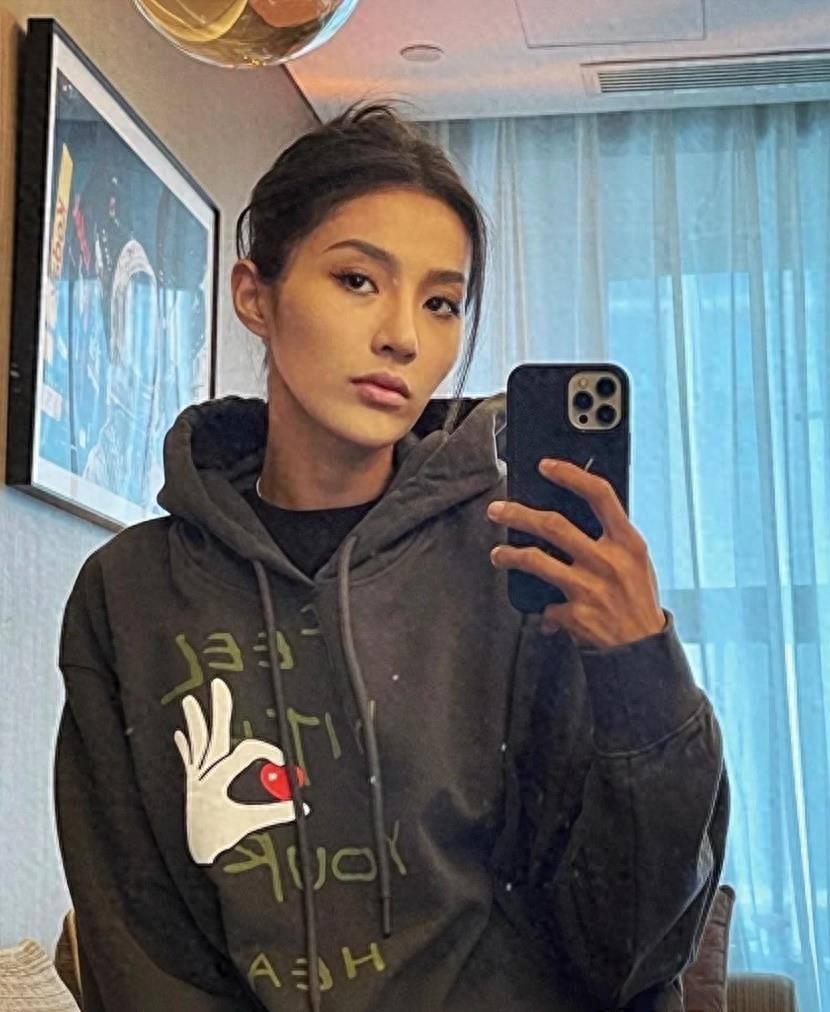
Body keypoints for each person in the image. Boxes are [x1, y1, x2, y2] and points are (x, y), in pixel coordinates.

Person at [54, 102, 729, 1012]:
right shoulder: (131, 596)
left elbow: (630, 946)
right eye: (358, 280)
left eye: (441, 302)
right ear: (255, 295)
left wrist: (642, 671)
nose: (404, 336)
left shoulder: (519, 565)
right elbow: (137, 942)